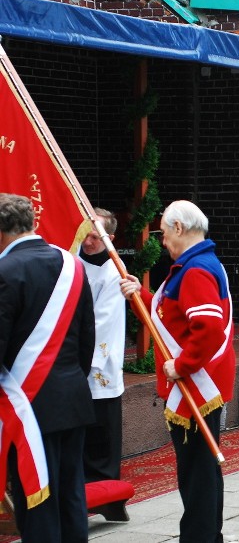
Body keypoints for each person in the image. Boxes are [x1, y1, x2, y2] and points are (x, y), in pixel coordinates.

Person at [119, 200, 235, 542]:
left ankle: (199, 536)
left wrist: (181, 366)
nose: (163, 239)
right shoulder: (196, 264)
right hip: (200, 383)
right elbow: (171, 319)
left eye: (165, 232)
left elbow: (208, 329)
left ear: (180, 229)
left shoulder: (195, 270)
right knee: (202, 470)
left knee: (197, 473)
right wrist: (138, 294)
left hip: (195, 385)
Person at [0, 193, 95, 542]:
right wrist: (71, 379)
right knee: (71, 493)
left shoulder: (5, 271)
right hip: (72, 397)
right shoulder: (72, 264)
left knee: (36, 497)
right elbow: (88, 336)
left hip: (27, 405)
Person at [80, 207, 126, 482]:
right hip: (74, 354)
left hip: (97, 358)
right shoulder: (71, 261)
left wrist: (80, 353)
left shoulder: (113, 271)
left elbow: (102, 321)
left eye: (95, 237)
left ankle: (104, 480)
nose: (87, 242)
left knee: (101, 424)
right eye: (85, 235)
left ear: (109, 238)